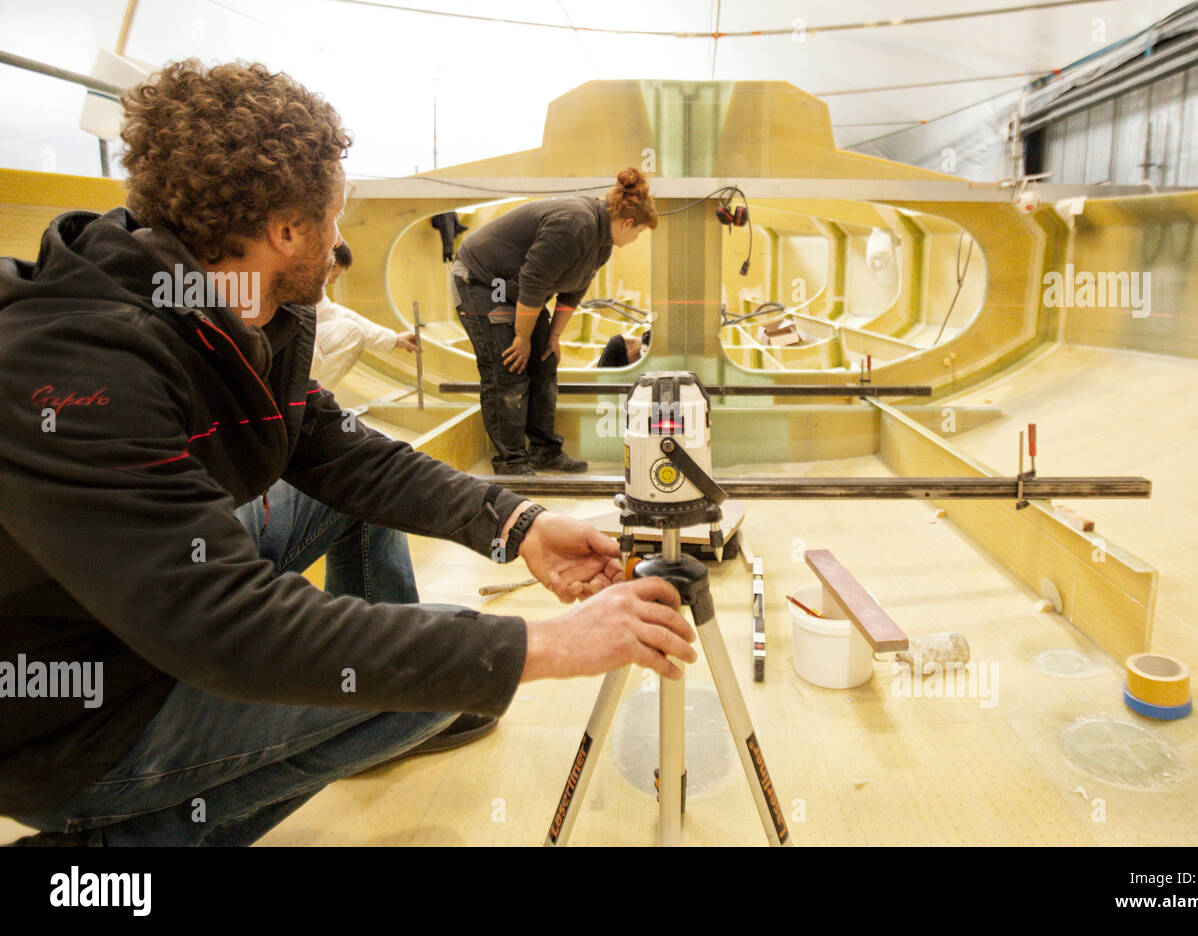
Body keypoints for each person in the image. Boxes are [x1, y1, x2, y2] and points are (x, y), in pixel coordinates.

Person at [0, 60, 695, 846]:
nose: (339, 240)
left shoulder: (248, 313)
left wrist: (517, 522)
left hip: (142, 611)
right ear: (285, 230)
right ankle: (103, 856)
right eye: (334, 217)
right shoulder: (77, 367)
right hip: (70, 722)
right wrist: (541, 645)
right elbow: (227, 628)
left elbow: (340, 454)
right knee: (433, 681)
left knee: (422, 665)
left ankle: (351, 718)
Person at [452, 168, 658, 475]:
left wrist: (554, 336)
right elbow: (534, 281)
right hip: (482, 283)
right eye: (639, 232)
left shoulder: (602, 241)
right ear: (628, 222)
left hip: (518, 292)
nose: (636, 238)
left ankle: (544, 451)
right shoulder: (575, 224)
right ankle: (511, 461)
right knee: (509, 368)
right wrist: (522, 337)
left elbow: (573, 291)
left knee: (545, 363)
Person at [312, 240, 420, 388]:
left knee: (349, 329)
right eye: (334, 276)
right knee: (351, 332)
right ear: (327, 263)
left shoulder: (313, 293)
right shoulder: (301, 285)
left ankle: (310, 400)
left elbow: (336, 314)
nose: (332, 282)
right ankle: (309, 402)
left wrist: (393, 339)